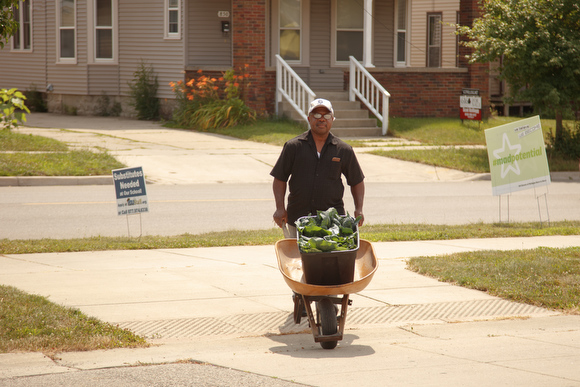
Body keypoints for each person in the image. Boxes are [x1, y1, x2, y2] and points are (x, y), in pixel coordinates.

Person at [271, 98, 365, 238]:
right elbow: (280, 178)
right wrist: (280, 208)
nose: (322, 119)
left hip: (333, 222)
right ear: (309, 119)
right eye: (316, 115)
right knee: (298, 259)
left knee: (331, 259)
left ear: (332, 119)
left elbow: (356, 180)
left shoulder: (343, 150)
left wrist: (359, 209)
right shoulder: (293, 147)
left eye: (326, 115)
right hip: (298, 218)